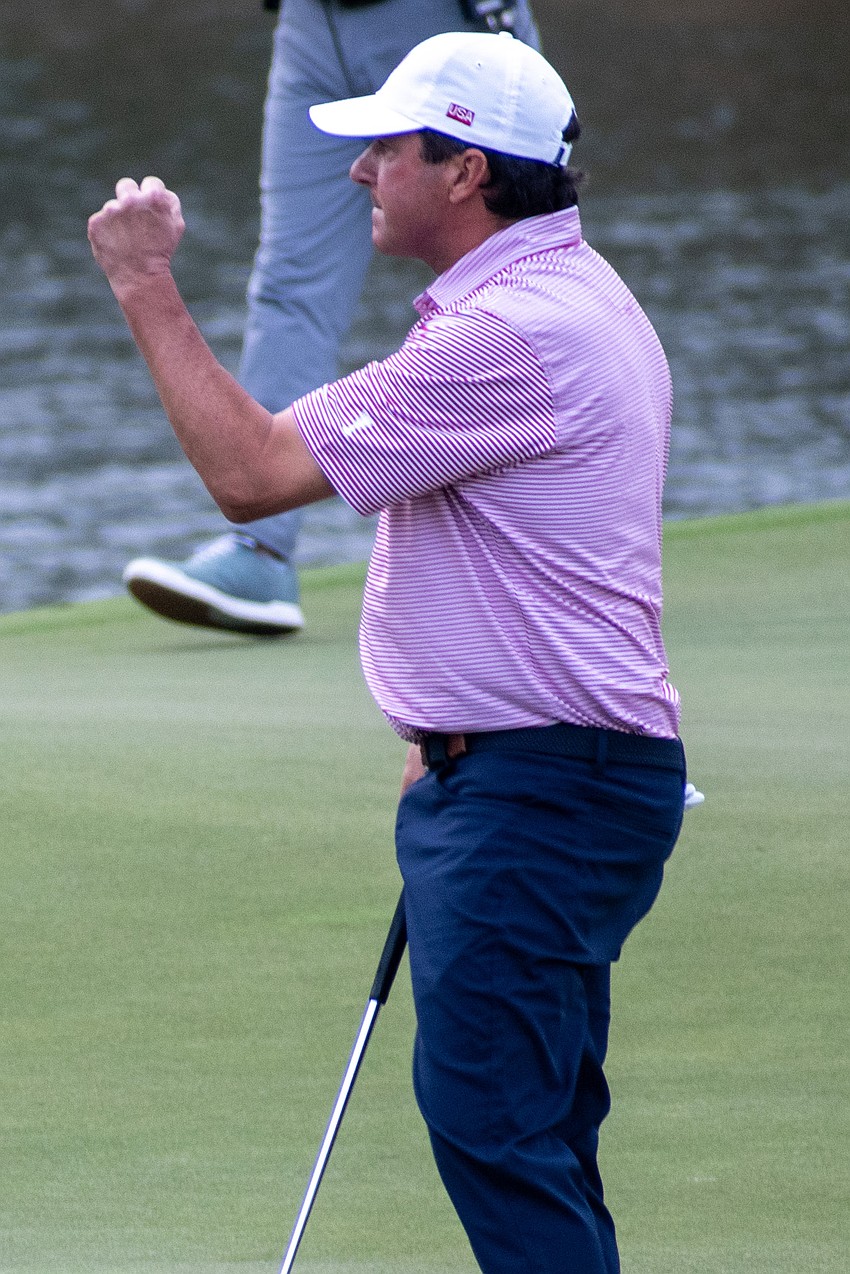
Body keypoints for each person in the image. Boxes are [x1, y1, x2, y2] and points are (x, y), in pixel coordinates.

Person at [89, 31, 689, 1272]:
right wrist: (453, 733)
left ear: (464, 171)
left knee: (499, 1131)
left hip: (542, 785)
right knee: (537, 1131)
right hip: (543, 772)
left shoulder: (503, 335)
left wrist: (146, 284)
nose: (363, 169)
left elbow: (252, 476)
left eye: (389, 146)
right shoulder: (579, 295)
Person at [122, 0, 540, 636]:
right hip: (312, 20)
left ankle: (552, 535)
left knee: (511, 264)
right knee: (290, 281)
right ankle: (260, 554)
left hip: (440, 18)